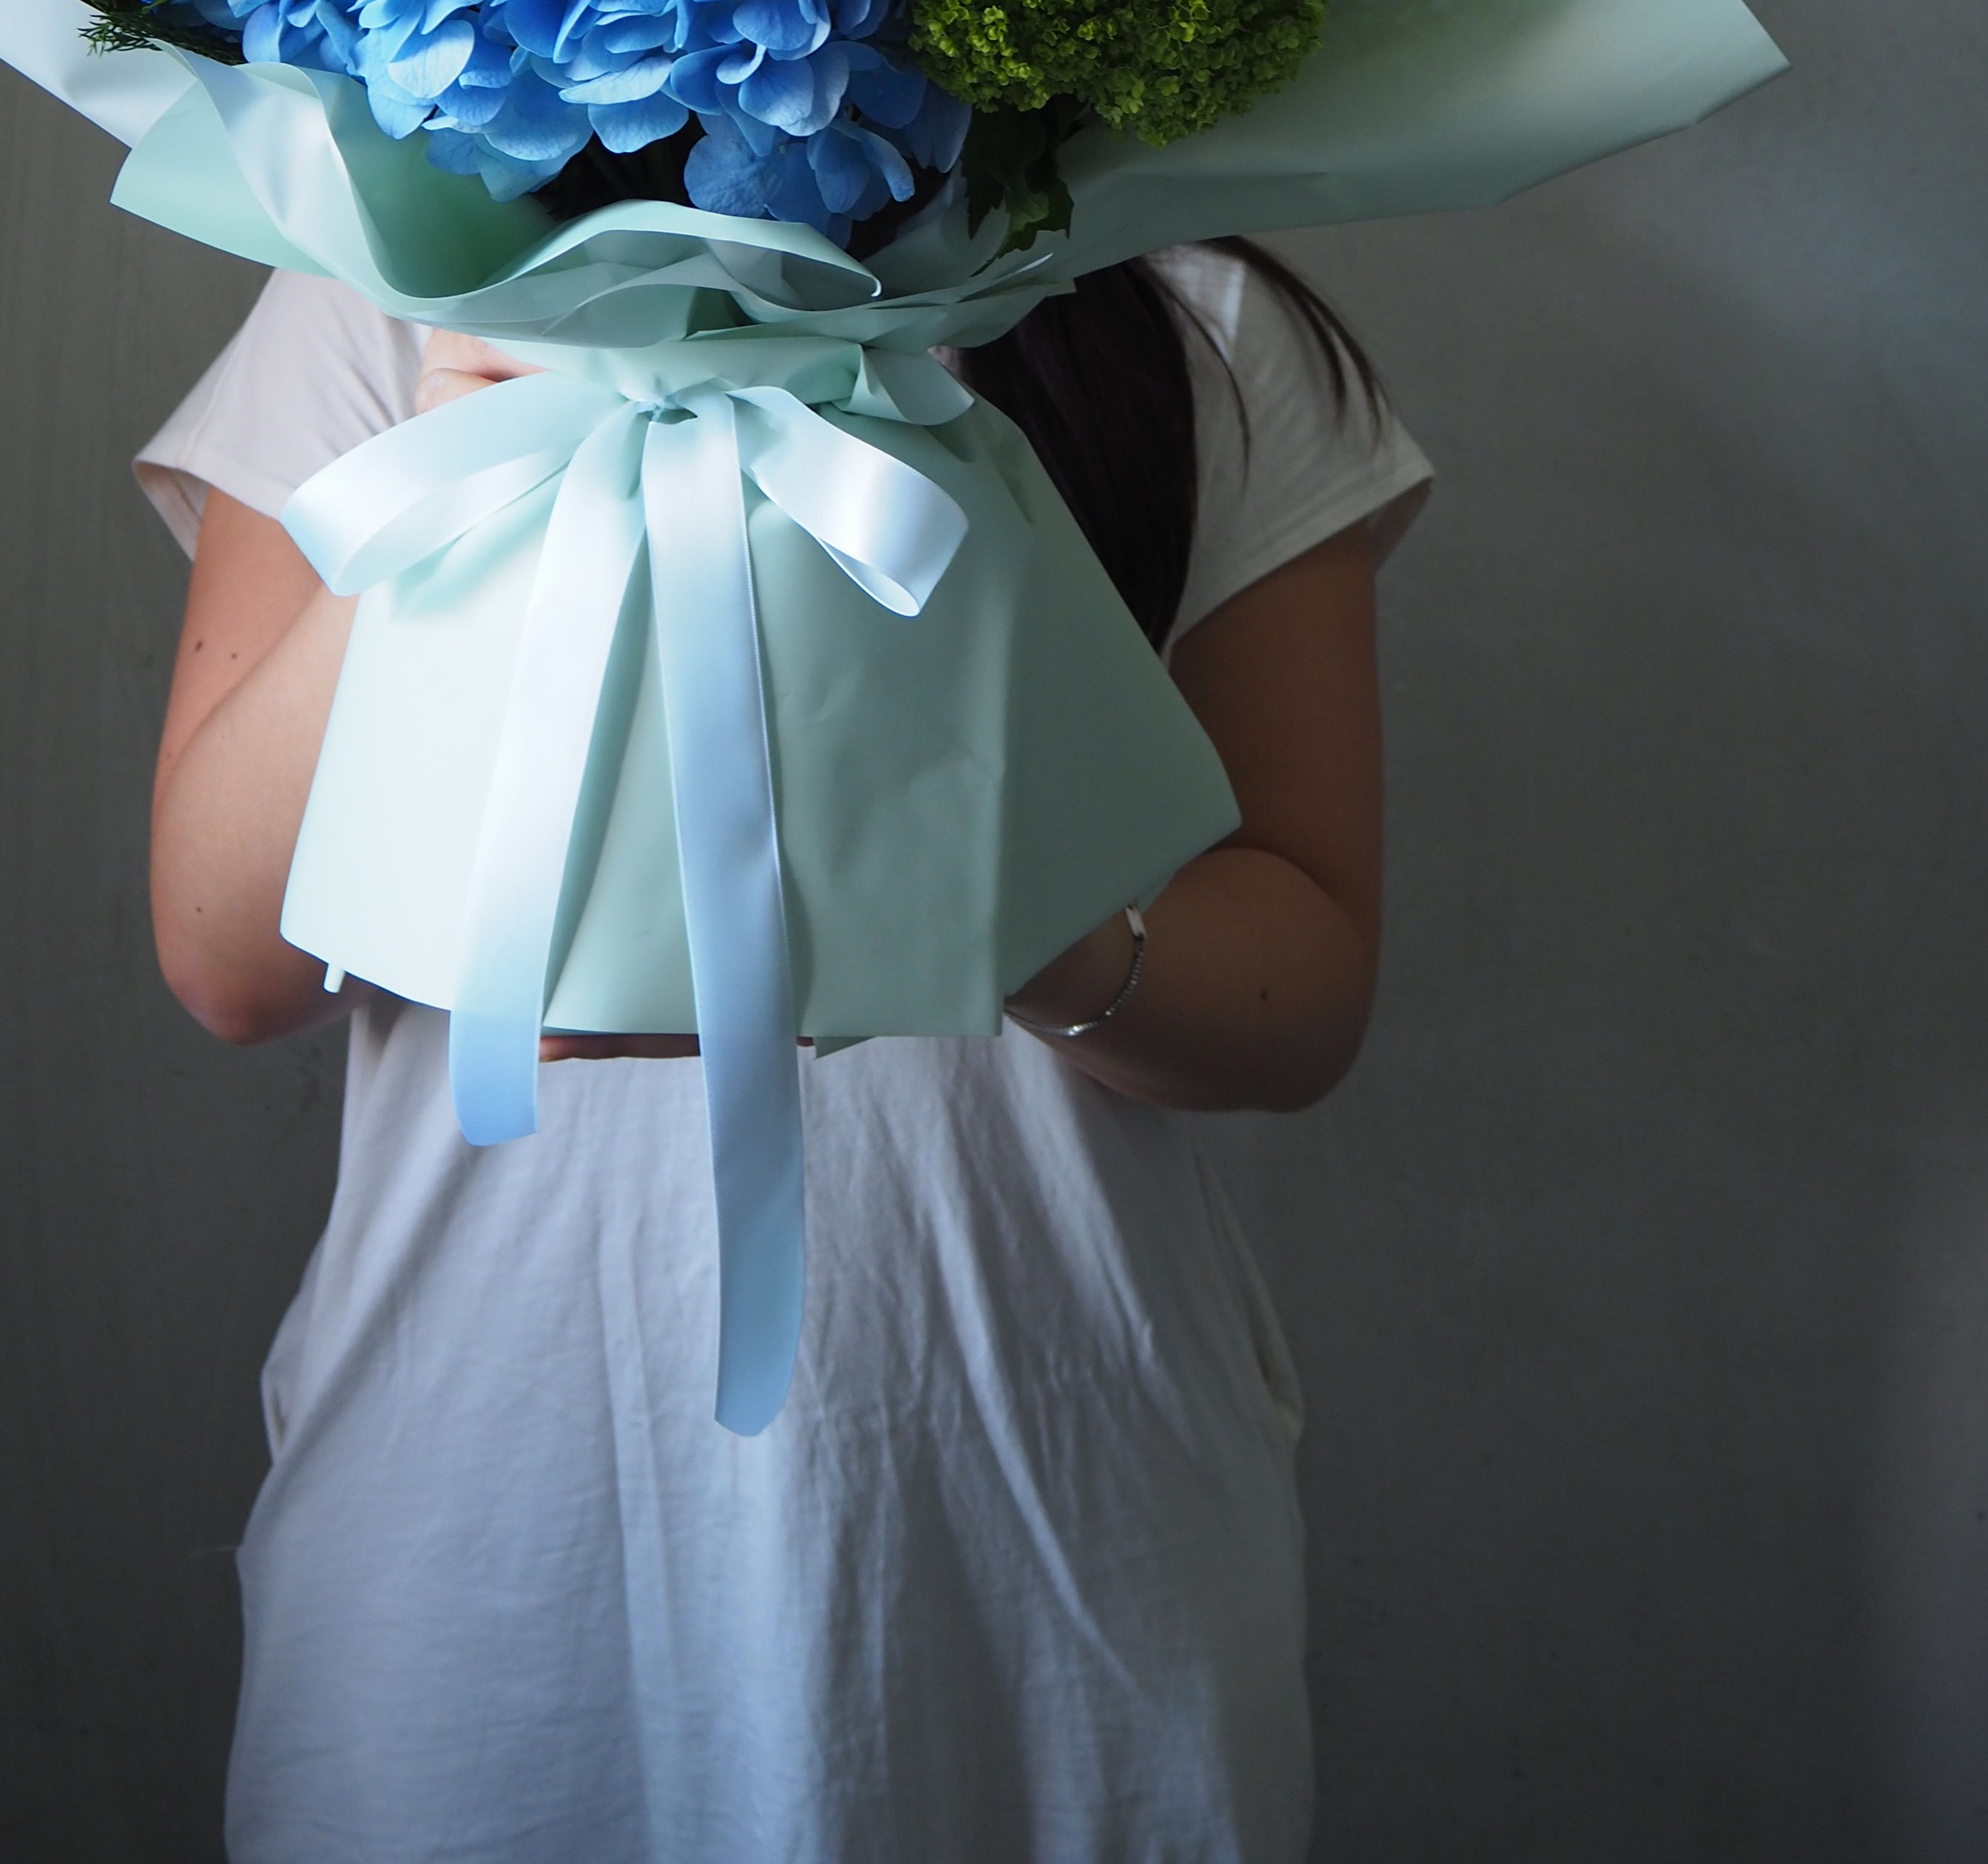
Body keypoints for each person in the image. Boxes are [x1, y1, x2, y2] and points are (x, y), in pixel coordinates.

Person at [136, 242, 1428, 1864]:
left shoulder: (1179, 301)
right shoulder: (398, 281)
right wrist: (467, 475)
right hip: (483, 1525)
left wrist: (1006, 914)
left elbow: (1305, 978)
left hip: (1053, 1515)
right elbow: (225, 949)